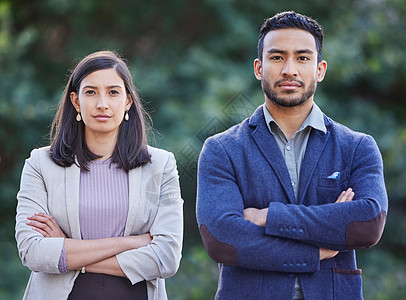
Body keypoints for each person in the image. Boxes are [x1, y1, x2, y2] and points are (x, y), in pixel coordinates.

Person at [196, 11, 388, 300]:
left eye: (302, 58)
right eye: (277, 57)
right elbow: (223, 239)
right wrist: (318, 248)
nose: (289, 69)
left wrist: (269, 216)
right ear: (259, 68)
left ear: (320, 69)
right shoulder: (222, 149)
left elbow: (367, 224)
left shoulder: (357, 147)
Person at [15, 51, 183, 300]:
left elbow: (166, 258)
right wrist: (129, 242)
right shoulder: (41, 164)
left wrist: (68, 251)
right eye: (91, 92)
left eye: (113, 92)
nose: (102, 103)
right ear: (75, 101)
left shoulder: (160, 165)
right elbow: (32, 252)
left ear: (127, 101)